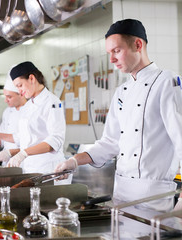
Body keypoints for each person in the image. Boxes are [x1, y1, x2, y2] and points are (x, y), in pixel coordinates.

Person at [54, 19, 182, 212]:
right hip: (122, 194)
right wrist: (73, 161)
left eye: (116, 51)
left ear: (138, 45)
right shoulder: (122, 91)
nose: (112, 59)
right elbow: (110, 142)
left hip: (154, 196)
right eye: (109, 53)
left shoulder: (167, 82)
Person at [0, 61, 69, 177]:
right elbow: (20, 137)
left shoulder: (52, 102)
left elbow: (55, 140)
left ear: (32, 78)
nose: (19, 91)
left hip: (49, 169)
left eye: (20, 86)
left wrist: (24, 153)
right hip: (30, 168)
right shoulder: (28, 106)